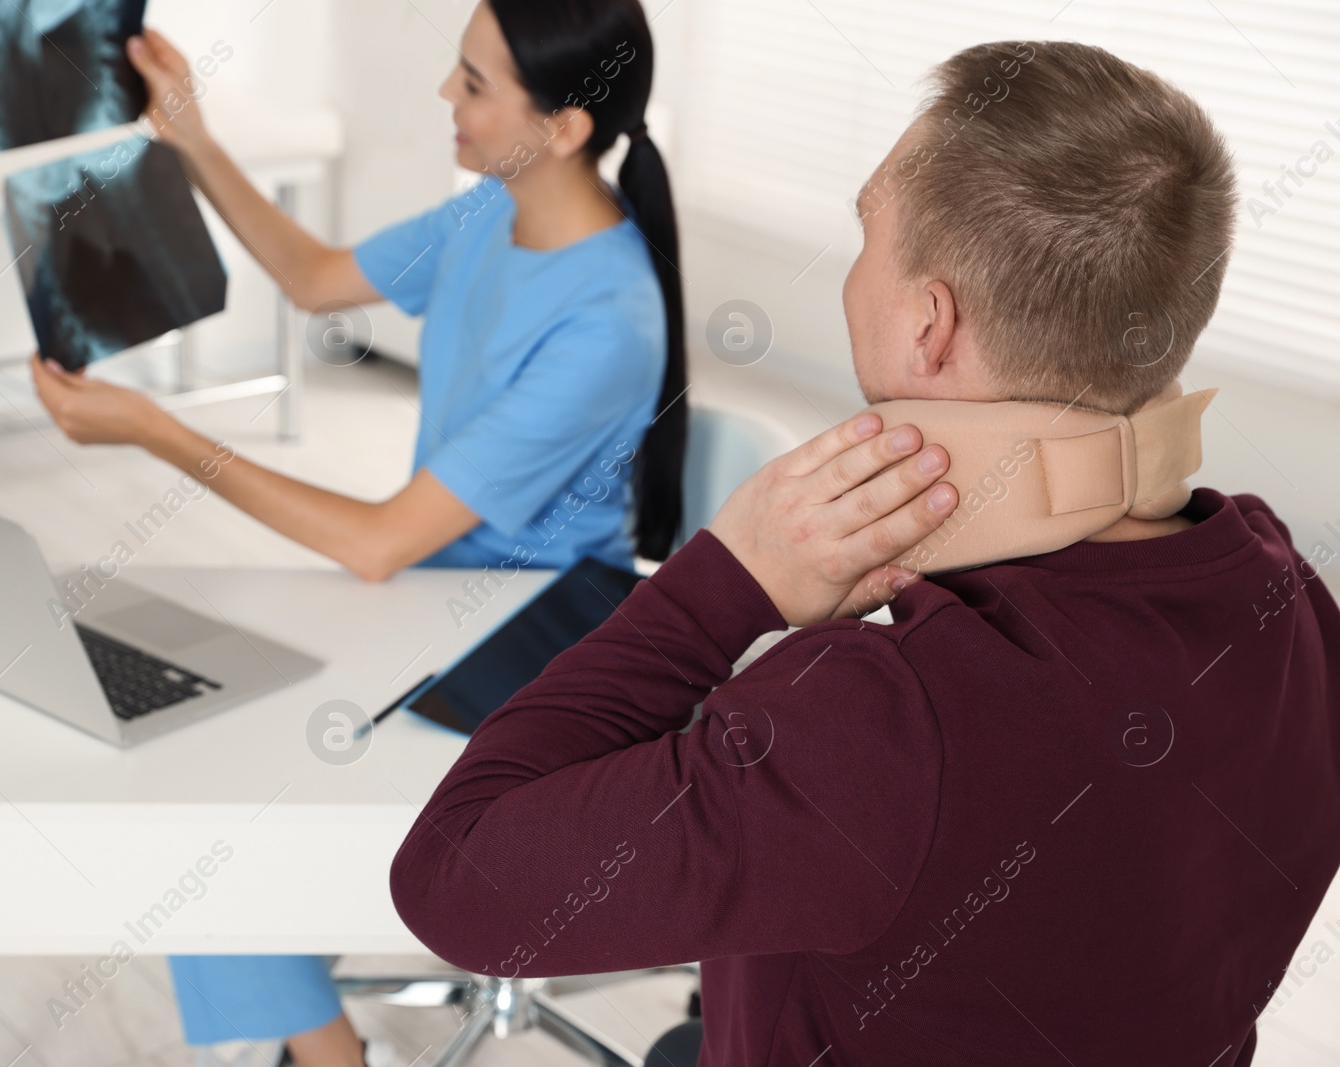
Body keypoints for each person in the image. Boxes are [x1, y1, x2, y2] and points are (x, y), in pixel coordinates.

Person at [389, 41, 1340, 1067]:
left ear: (929, 327)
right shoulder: (1287, 597)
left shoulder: (880, 717)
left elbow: (452, 877)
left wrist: (719, 586)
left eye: (865, 235)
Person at [31, 2, 687, 1065]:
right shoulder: (489, 210)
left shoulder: (607, 317)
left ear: (563, 126)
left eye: (474, 84)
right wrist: (190, 131)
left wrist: (156, 431)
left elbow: (381, 539)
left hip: (541, 623)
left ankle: (321, 1051)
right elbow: (313, 276)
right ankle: (307, 1033)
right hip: (431, 580)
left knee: (225, 781)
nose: (445, 97)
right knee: (195, 744)